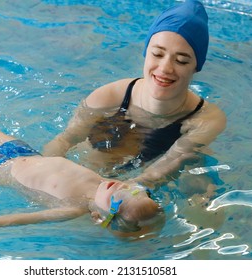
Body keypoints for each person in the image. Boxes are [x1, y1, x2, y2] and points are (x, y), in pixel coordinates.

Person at [0, 100, 164, 237]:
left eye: (117, 195)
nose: (120, 186)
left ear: (99, 217)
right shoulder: (105, 183)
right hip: (22, 151)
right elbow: (147, 177)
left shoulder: (70, 209)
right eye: (132, 188)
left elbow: (10, 220)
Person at [43, 0, 226, 188]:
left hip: (153, 172)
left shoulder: (205, 119)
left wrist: (117, 195)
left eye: (181, 61)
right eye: (157, 54)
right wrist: (47, 175)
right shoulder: (108, 98)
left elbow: (156, 175)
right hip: (94, 167)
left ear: (196, 67)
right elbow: (64, 141)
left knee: (201, 189)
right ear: (146, 53)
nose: (165, 69)